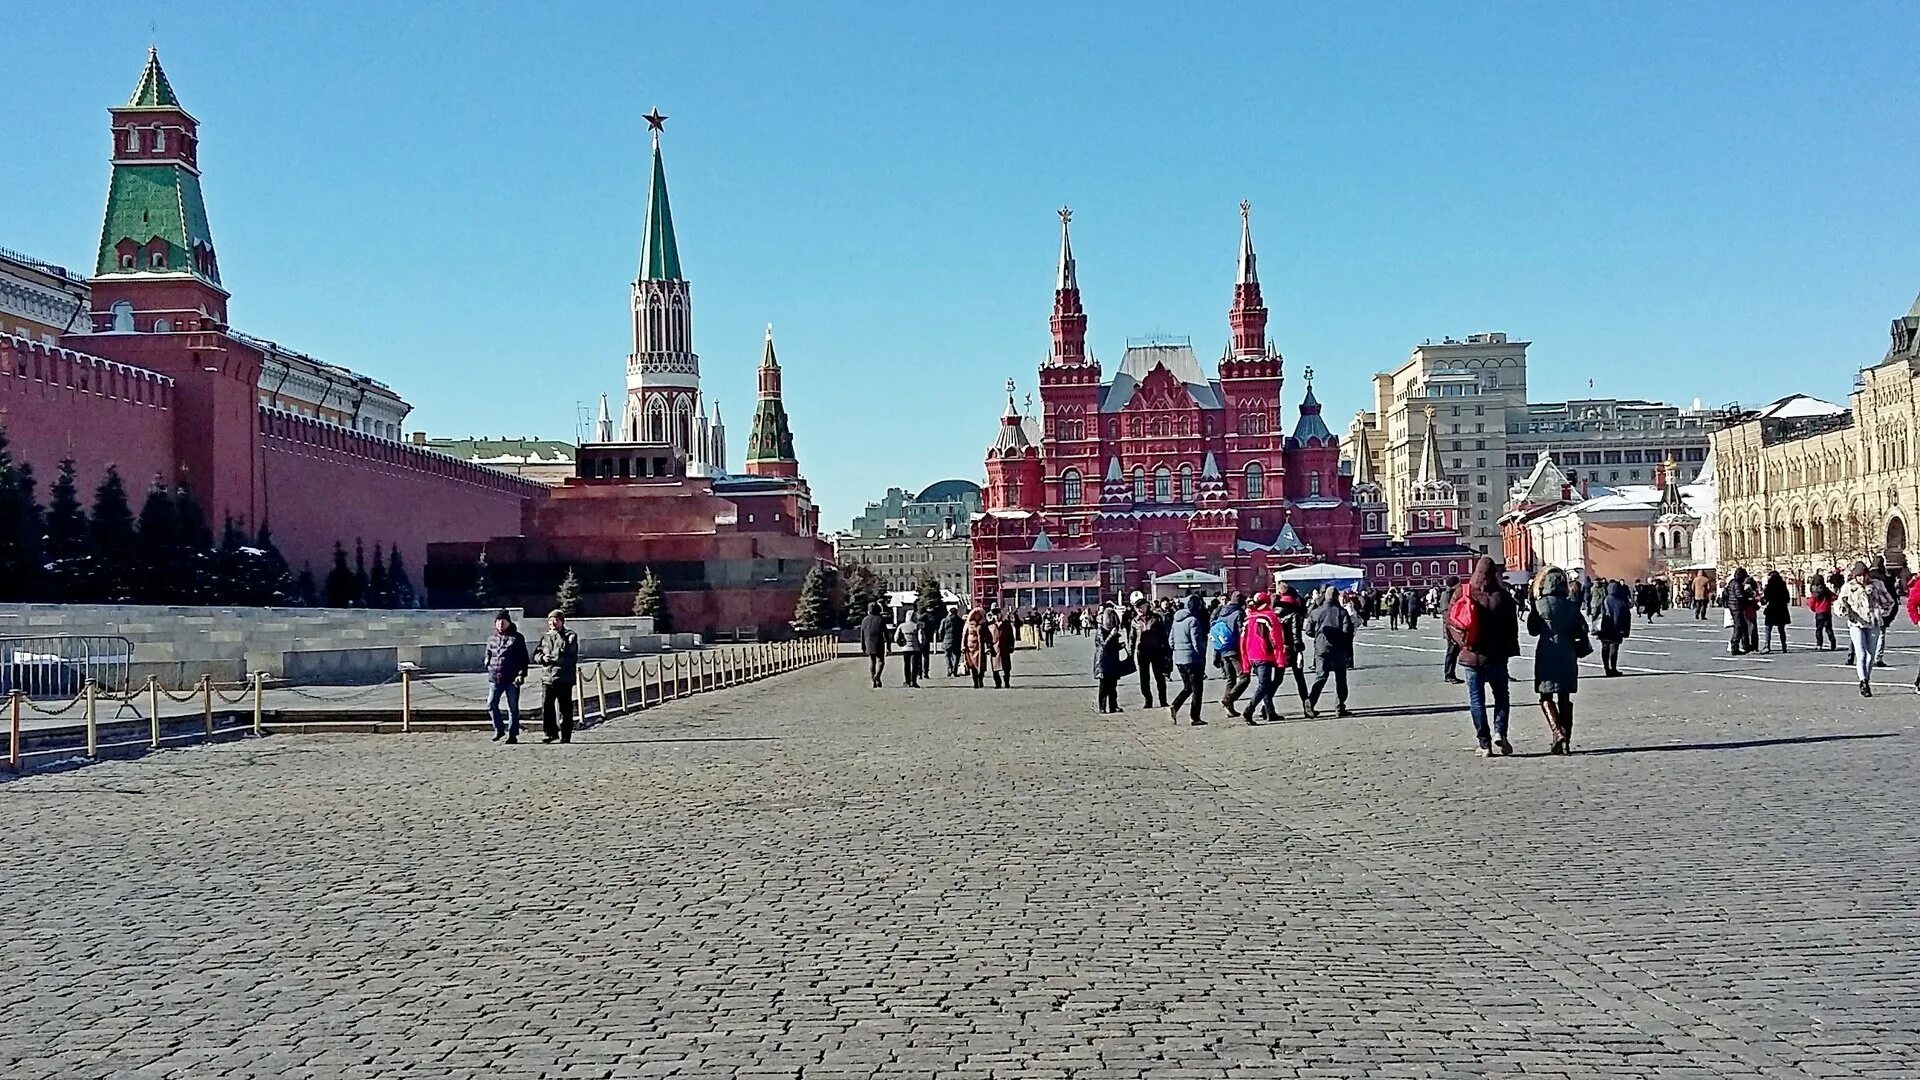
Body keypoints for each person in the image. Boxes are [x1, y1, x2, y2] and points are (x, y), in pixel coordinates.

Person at [1454, 556, 1518, 757]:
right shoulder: (1503, 597)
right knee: (1501, 696)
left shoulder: (1463, 593)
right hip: (1497, 656)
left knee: (1477, 700)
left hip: (1472, 655)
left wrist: (1462, 644)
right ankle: (1500, 731)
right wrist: (1509, 650)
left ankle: (1484, 744)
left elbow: (1451, 623)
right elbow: (1512, 628)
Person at [1527, 568, 1588, 755]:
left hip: (1546, 652)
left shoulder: (1540, 604)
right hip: (1567, 653)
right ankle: (1565, 741)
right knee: (1564, 698)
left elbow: (1533, 630)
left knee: (1546, 695)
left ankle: (1557, 732)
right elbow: (1581, 629)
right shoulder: (1571, 605)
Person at [1837, 561, 1892, 697]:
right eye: (1859, 576)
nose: (1862, 578)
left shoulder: (1877, 585)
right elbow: (1839, 605)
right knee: (1861, 653)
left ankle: (1866, 678)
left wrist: (1881, 612)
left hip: (1873, 623)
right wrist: (1846, 612)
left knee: (1870, 655)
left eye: (1864, 575)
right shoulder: (1848, 587)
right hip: (1856, 623)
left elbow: (1889, 601)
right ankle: (1863, 682)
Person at [531, 609, 580, 744]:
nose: (553, 622)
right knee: (547, 706)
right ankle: (550, 733)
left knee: (565, 708)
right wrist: (542, 658)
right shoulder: (545, 637)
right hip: (547, 677)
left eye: (556, 620)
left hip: (563, 678)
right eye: (550, 620)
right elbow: (536, 654)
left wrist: (553, 658)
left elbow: (569, 655)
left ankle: (566, 735)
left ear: (562, 622)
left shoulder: (569, 636)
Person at [1303, 589, 1355, 718]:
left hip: (1321, 648)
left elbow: (1308, 630)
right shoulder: (1342, 612)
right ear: (1336, 597)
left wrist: (1319, 637)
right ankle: (1339, 707)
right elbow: (1347, 631)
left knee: (1321, 676)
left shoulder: (1316, 612)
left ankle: (1310, 703)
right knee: (1340, 678)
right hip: (1338, 648)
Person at [483, 609, 529, 744]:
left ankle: (513, 734)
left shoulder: (517, 638)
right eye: (498, 621)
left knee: (512, 707)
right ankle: (499, 729)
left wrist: (521, 674)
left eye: (503, 621)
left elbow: (523, 659)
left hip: (511, 678)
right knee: (491, 704)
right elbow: (488, 654)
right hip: (495, 677)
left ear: (508, 622)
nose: (500, 624)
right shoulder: (491, 638)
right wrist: (487, 664)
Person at [1237, 592, 1283, 725]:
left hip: (1251, 655)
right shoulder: (1269, 617)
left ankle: (1270, 711)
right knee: (1264, 685)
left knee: (1264, 683)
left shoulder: (1248, 618)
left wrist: (1245, 661)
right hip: (1264, 655)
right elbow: (1276, 639)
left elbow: (1242, 641)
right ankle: (1249, 710)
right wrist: (1280, 658)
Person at [1167, 594, 1209, 726]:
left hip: (1179, 660)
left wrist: (1179, 650)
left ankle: (1175, 705)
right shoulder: (1193, 621)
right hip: (1192, 660)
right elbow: (1196, 642)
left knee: (1188, 687)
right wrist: (1201, 655)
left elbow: (1171, 641)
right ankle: (1194, 717)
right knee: (1197, 689)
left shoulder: (1176, 620)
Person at [1273, 584, 1313, 709]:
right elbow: (1296, 634)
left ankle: (1266, 706)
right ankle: (1307, 707)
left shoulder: (1274, 610)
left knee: (1277, 679)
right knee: (1300, 678)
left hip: (1280, 648)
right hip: (1292, 648)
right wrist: (1299, 650)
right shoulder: (1294, 610)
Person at [1127, 598, 1169, 707]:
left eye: (1141, 607)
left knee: (1159, 676)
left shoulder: (1156, 618)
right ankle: (1148, 700)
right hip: (1142, 652)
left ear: (1146, 606)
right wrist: (1130, 654)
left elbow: (1163, 635)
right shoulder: (1135, 621)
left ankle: (1163, 700)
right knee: (1144, 677)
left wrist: (1166, 650)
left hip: (1156, 651)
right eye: (1137, 608)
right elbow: (1131, 638)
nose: (1139, 610)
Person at [1214, 592, 1249, 719]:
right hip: (1235, 650)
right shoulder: (1239, 613)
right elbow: (1242, 632)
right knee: (1244, 677)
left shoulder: (1222, 612)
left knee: (1230, 679)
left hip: (1223, 649)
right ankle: (1228, 699)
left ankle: (1229, 708)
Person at [1095, 605, 1127, 713]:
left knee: (1113, 685)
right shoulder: (1100, 630)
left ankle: (1113, 705)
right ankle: (1102, 706)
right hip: (1103, 661)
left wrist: (1120, 646)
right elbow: (1103, 645)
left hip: (1112, 660)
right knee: (1104, 685)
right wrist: (1111, 635)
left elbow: (1112, 646)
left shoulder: (1114, 630)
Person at [1596, 580, 1632, 677]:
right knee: (1614, 649)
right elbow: (1627, 617)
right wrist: (1626, 631)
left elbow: (1596, 613)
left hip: (1604, 628)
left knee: (1605, 648)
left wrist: (1596, 628)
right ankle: (1613, 668)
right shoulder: (1622, 601)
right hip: (1617, 629)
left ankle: (1606, 668)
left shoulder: (1604, 600)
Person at [1722, 568, 1756, 656]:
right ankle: (1734, 646)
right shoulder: (1737, 583)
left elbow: (1726, 593)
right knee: (1739, 626)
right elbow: (1739, 596)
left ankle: (1744, 645)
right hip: (1737, 607)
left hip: (1733, 606)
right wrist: (1747, 599)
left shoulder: (1732, 582)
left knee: (1742, 626)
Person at [1440, 576, 1464, 684]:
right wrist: (1451, 629)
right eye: (1459, 583)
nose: (1461, 584)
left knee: (1454, 651)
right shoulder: (1447, 595)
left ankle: (1450, 674)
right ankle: (1449, 675)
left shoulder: (1451, 593)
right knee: (1451, 651)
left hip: (1453, 627)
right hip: (1451, 628)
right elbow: (1446, 614)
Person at [859, 602, 890, 688]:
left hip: (868, 643)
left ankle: (873, 680)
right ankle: (877, 676)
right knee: (881, 661)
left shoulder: (865, 620)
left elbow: (862, 634)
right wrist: (889, 645)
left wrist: (863, 646)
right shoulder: (880, 619)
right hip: (879, 642)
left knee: (872, 661)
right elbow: (886, 633)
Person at [1761, 570, 1792, 653]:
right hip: (1782, 610)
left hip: (1771, 609)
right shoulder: (1783, 586)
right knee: (1781, 629)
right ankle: (1784, 646)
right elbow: (1787, 599)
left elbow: (1765, 599)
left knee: (1768, 628)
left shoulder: (1769, 586)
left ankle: (1767, 646)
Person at [962, 606, 990, 689]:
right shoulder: (968, 624)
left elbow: (987, 635)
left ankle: (980, 680)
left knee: (981, 666)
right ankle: (975, 682)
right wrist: (963, 646)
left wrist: (988, 645)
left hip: (981, 648)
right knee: (972, 666)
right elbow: (964, 635)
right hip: (971, 648)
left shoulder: (983, 624)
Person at [1807, 574, 1837, 650]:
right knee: (1829, 628)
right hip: (1827, 611)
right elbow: (1834, 597)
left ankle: (1819, 644)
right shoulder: (1826, 590)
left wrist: (1813, 609)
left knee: (1819, 629)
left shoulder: (1815, 592)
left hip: (1819, 613)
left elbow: (1811, 602)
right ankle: (1833, 642)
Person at [895, 608, 922, 687]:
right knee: (914, 665)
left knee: (906, 665)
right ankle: (914, 681)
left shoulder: (901, 626)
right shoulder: (916, 626)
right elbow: (920, 638)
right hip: (915, 648)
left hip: (905, 648)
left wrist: (900, 643)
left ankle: (907, 681)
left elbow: (896, 637)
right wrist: (920, 645)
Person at [991, 608, 1017, 687]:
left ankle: (1006, 681)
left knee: (1006, 668)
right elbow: (987, 638)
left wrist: (1011, 646)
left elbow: (1011, 636)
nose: (996, 616)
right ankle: (998, 683)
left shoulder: (1006, 624)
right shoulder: (990, 625)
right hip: (995, 649)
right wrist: (988, 647)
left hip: (1005, 648)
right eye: (995, 615)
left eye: (998, 614)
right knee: (995, 668)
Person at [938, 604, 963, 676]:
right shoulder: (960, 621)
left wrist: (942, 638)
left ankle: (949, 669)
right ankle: (955, 670)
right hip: (957, 640)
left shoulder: (945, 620)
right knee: (956, 656)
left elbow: (941, 630)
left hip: (947, 640)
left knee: (947, 655)